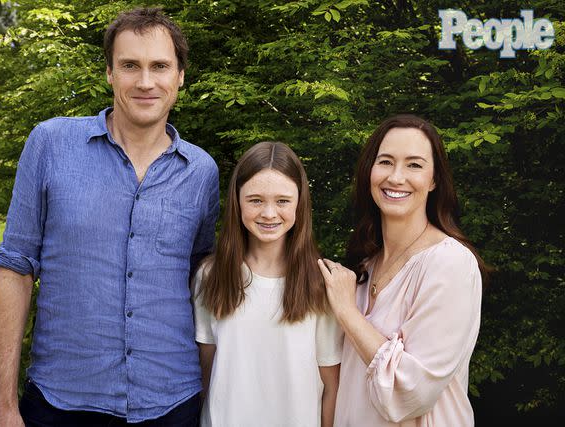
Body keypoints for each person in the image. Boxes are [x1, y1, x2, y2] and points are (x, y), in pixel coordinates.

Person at [0, 7, 219, 427]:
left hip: (172, 402)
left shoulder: (201, 171)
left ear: (180, 76)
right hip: (62, 401)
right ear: (110, 73)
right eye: (130, 65)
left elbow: (202, 275)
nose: (146, 82)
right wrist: (4, 405)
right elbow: (13, 268)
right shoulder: (50, 144)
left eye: (160, 66)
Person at [317, 115, 488, 426]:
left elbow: (412, 393)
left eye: (414, 165)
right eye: (385, 162)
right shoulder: (363, 267)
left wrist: (347, 312)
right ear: (369, 171)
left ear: (434, 179)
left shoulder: (450, 264)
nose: (396, 177)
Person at [193, 141, 344, 427]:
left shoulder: (321, 283)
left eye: (283, 201)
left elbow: (331, 385)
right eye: (256, 200)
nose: (269, 213)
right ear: (237, 201)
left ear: (300, 202)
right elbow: (206, 370)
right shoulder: (211, 275)